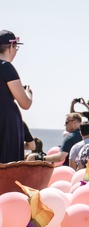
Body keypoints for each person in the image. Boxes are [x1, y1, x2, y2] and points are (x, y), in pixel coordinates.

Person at [0, 30, 33, 163]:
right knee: (7, 166)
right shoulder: (6, 67)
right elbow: (25, 103)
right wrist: (29, 93)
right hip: (6, 121)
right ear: (11, 47)